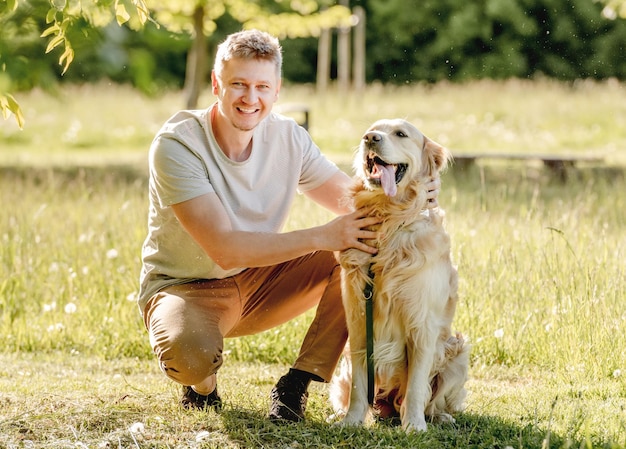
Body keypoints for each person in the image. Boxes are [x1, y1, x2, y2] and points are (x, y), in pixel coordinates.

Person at [137, 29, 441, 423]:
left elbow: (352, 200)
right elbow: (224, 249)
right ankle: (203, 387)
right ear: (216, 84)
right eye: (238, 85)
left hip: (262, 280)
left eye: (262, 86)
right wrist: (321, 235)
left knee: (353, 248)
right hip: (186, 286)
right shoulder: (178, 145)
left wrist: (412, 184)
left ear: (277, 90)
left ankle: (296, 383)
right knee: (192, 357)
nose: (251, 98)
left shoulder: (288, 138)